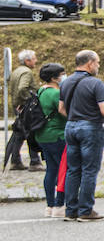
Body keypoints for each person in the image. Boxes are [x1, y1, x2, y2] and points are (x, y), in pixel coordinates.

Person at [60, 49, 104, 222]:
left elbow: (61, 109)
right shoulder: (95, 83)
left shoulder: (66, 82)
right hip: (90, 127)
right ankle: (85, 210)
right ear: (90, 63)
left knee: (73, 169)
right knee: (89, 170)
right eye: (97, 62)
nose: (98, 65)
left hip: (70, 126)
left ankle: (71, 210)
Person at [34, 62, 66, 215]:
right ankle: (60, 204)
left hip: (42, 136)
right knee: (64, 170)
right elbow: (64, 112)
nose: (64, 77)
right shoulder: (55, 94)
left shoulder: (41, 91)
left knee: (51, 170)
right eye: (62, 74)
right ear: (54, 78)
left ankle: (50, 205)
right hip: (57, 135)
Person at [6, 48, 41, 170]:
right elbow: (22, 88)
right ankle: (35, 162)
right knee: (30, 133)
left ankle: (15, 161)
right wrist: (30, 101)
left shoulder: (17, 71)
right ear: (27, 60)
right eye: (34, 58)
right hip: (25, 107)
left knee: (19, 134)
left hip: (18, 106)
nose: (36, 61)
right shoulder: (26, 72)